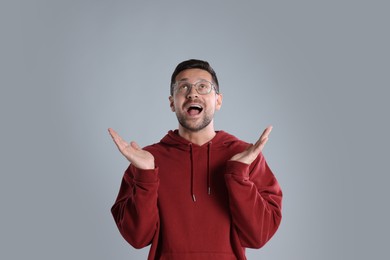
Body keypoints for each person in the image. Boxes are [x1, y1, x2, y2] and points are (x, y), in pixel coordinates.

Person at [108, 59, 282, 260]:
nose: (192, 93)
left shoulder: (245, 156)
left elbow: (259, 236)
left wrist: (238, 175)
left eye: (203, 86)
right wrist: (146, 176)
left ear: (218, 100)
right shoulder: (147, 161)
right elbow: (136, 238)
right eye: (183, 87)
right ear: (172, 102)